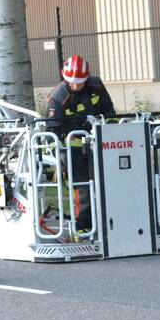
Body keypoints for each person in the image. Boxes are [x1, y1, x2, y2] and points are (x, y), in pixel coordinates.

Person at [45, 55, 115, 233]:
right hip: (73, 150)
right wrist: (58, 154)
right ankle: (83, 229)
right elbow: (52, 131)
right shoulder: (58, 97)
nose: (76, 86)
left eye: (80, 82)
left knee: (110, 183)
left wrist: (104, 125)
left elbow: (110, 112)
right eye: (72, 82)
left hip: (100, 145)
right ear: (64, 76)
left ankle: (109, 223)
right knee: (83, 188)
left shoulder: (96, 86)